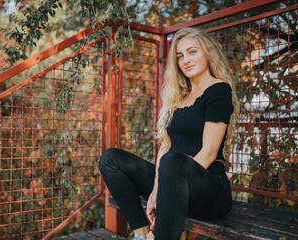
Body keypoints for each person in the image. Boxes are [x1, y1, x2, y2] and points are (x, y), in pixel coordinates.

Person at [99, 27, 239, 240]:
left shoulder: (219, 90)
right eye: (180, 56)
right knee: (111, 159)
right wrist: (157, 188)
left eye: (192, 52)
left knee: (174, 161)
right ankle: (143, 235)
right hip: (173, 182)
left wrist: (166, 192)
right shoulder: (179, 96)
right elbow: (166, 145)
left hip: (209, 191)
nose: (186, 60)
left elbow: (209, 152)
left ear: (208, 53)